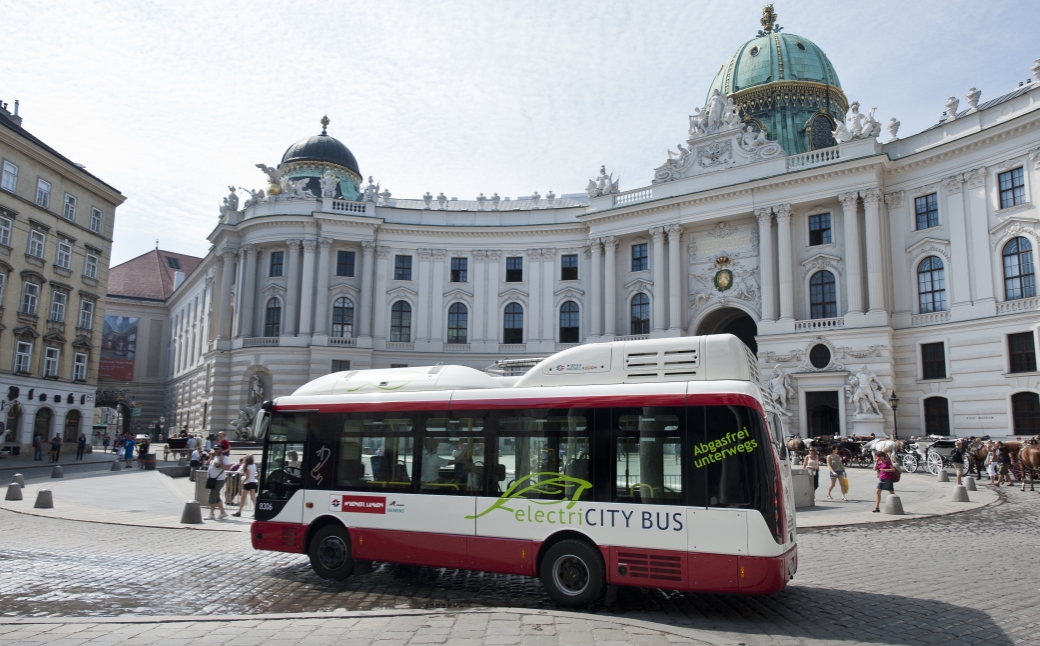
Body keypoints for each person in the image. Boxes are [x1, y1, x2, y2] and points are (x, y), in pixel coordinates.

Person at [206, 445, 231, 520]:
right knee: (216, 495)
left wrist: (219, 465)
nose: (216, 450)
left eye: (218, 448)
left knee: (212, 495)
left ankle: (212, 514)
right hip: (213, 479)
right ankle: (223, 512)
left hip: (218, 479)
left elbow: (228, 467)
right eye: (215, 448)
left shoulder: (224, 457)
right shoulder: (216, 456)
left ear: (222, 449)